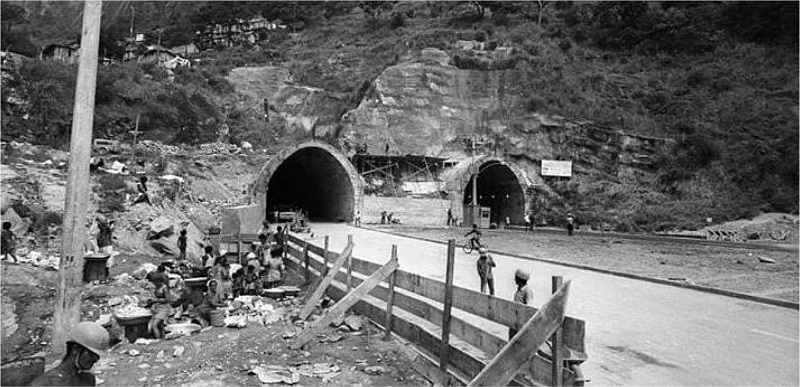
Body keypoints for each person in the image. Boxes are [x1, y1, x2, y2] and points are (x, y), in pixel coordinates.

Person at [28, 322, 109, 386]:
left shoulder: (88, 380)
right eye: (91, 353)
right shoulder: (44, 384)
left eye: (97, 355)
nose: (95, 359)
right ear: (75, 349)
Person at [146, 263, 173, 339]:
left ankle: (158, 341)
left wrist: (155, 300)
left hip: (164, 308)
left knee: (154, 325)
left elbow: (168, 299)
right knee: (160, 326)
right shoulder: (157, 287)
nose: (154, 284)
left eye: (154, 282)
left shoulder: (164, 288)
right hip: (158, 307)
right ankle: (163, 338)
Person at [509, 269, 534, 339]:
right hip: (515, 319)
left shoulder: (527, 291)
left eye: (516, 278)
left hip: (521, 321)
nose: (514, 280)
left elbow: (529, 307)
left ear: (520, 279)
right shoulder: (519, 289)